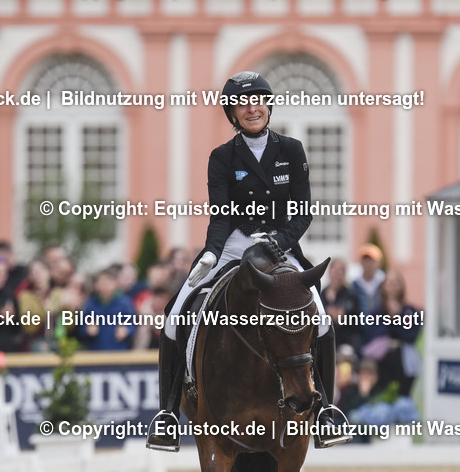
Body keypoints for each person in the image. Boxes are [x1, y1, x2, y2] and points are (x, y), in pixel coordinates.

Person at [148, 70, 350, 451]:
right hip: (235, 244)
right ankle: (168, 414)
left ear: (268, 106)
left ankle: (325, 410)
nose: (251, 107)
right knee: (175, 315)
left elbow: (303, 212)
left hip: (281, 244)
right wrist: (210, 253)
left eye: (258, 100)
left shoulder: (291, 150)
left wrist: (279, 242)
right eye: (243, 103)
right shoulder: (222, 157)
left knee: (321, 319)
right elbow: (221, 214)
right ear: (233, 113)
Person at [361, 271, 422, 397]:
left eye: (395, 283)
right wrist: (390, 319)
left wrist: (398, 317)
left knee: (402, 396)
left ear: (402, 287)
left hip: (404, 363)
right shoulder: (376, 312)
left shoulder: (410, 311)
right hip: (381, 362)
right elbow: (373, 334)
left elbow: (411, 335)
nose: (392, 287)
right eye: (389, 283)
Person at [79, 268, 137, 351]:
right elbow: (81, 329)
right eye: (101, 282)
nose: (104, 286)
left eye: (108, 282)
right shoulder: (90, 304)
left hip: (119, 352)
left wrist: (127, 330)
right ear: (96, 285)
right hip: (95, 352)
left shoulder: (125, 303)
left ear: (115, 283)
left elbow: (133, 325)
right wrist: (87, 330)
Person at [322, 257, 361, 353]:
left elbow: (357, 324)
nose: (336, 274)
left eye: (340, 271)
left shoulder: (351, 296)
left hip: (345, 343)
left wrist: (344, 318)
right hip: (325, 342)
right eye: (334, 270)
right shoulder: (322, 294)